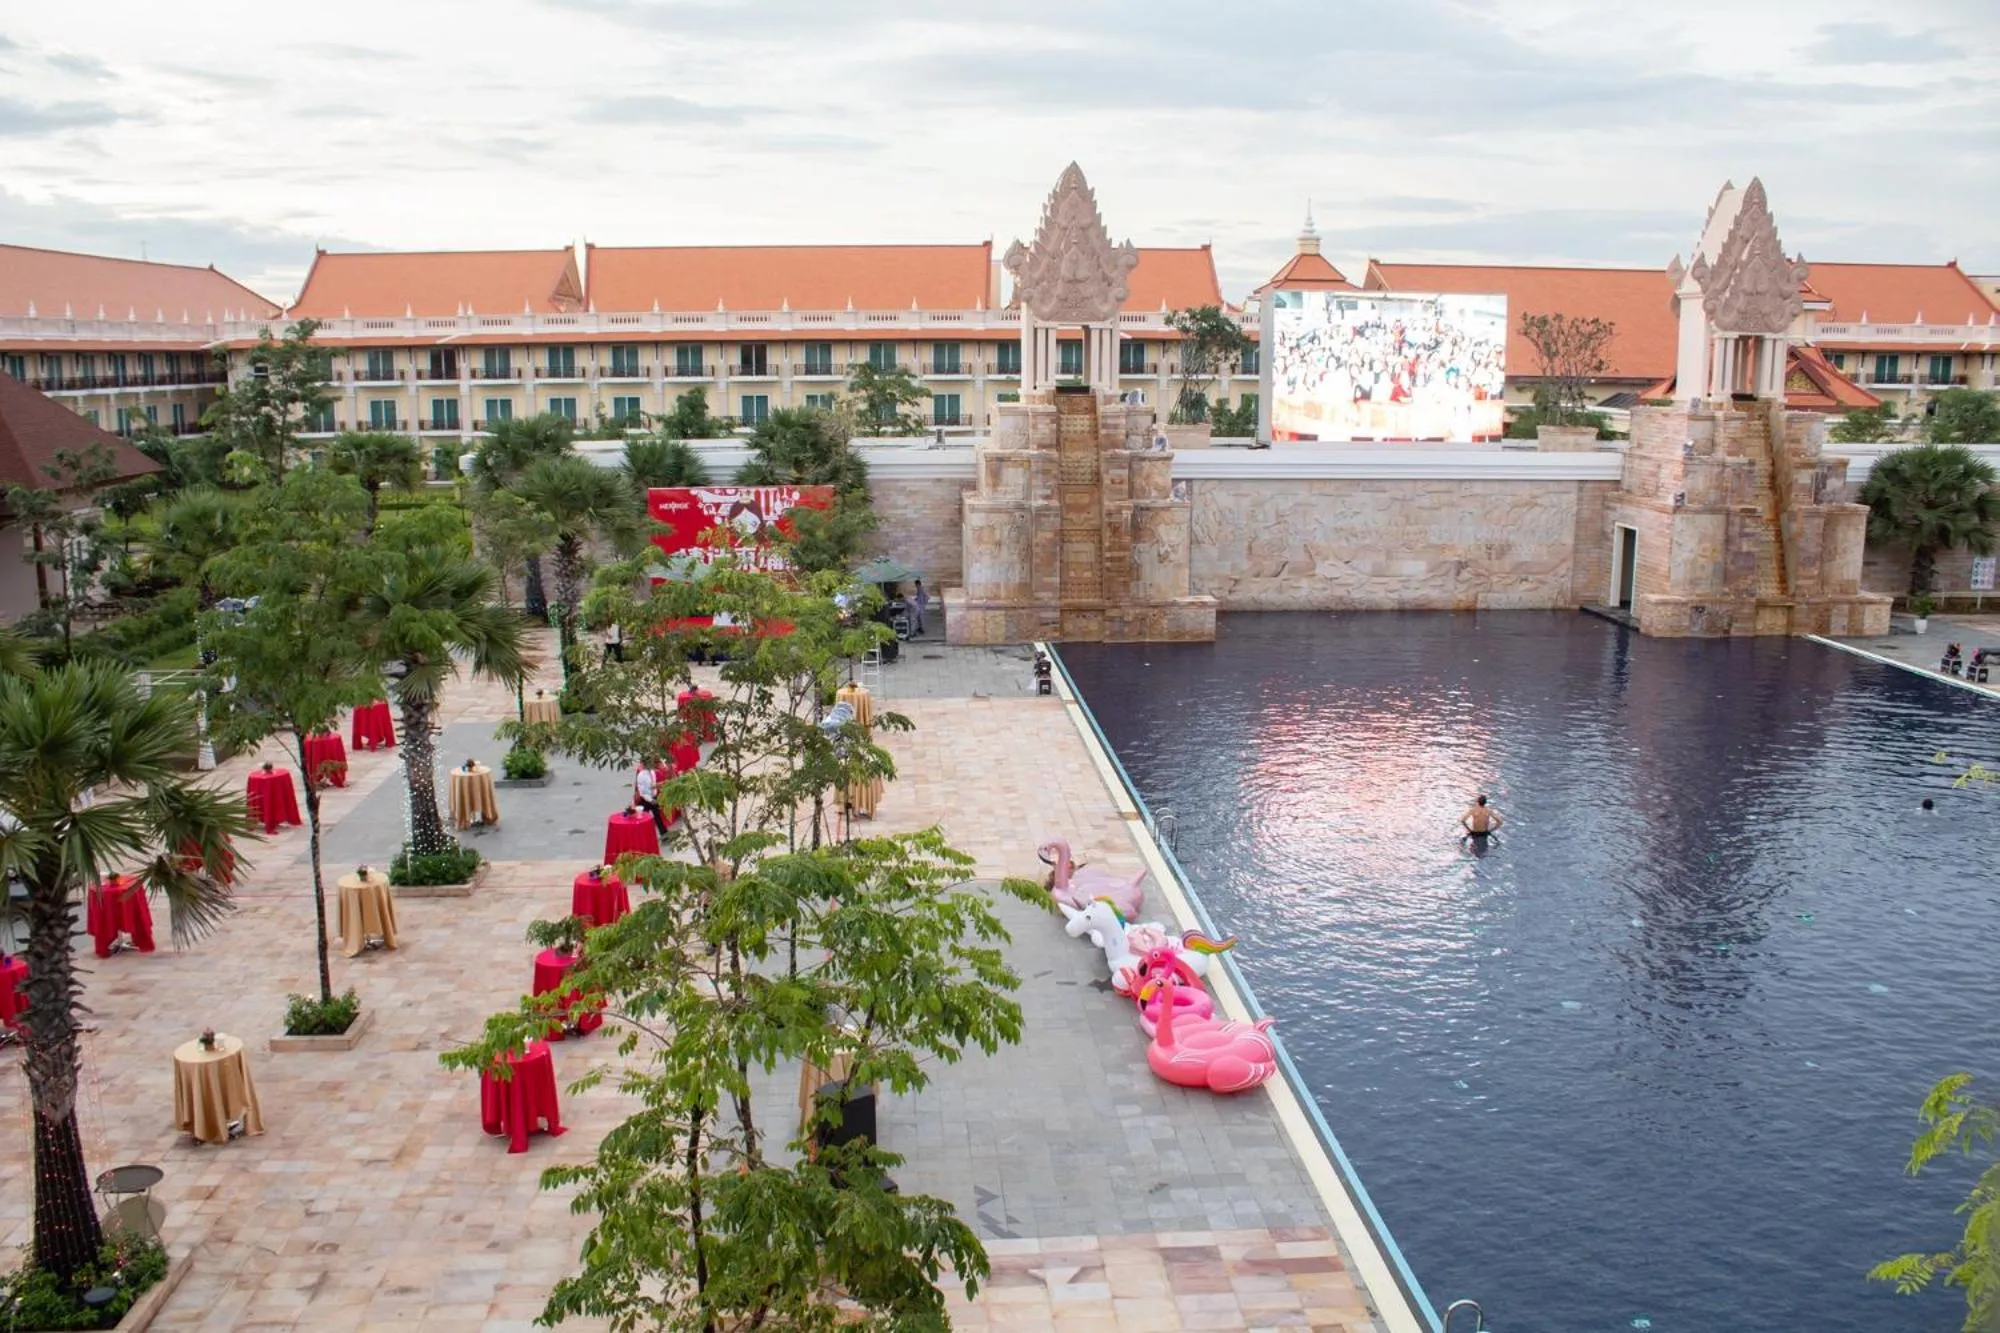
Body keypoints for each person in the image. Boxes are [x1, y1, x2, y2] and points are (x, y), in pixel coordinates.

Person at [633, 758, 667, 835]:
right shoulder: (641, 776)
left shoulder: (652, 772)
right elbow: (643, 792)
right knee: (643, 819)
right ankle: (642, 836)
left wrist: (660, 785)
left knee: (658, 817)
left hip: (653, 798)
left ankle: (664, 834)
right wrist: (651, 800)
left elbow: (652, 785)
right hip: (645, 800)